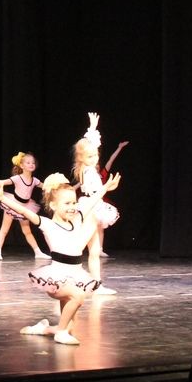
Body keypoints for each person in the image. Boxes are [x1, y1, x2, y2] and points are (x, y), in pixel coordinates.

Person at [0, 170, 121, 345]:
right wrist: (3, 198)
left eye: (74, 203)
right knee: (78, 297)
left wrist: (106, 187)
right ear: (53, 205)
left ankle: (43, 329)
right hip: (57, 280)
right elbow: (25, 212)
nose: (72, 207)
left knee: (71, 326)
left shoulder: (77, 219)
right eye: (67, 203)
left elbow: (92, 201)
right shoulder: (48, 225)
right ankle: (60, 333)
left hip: (75, 276)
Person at [72, 112, 118, 293]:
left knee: (94, 250)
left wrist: (92, 128)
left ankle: (96, 284)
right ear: (81, 158)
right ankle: (67, 276)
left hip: (93, 206)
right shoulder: (87, 170)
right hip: (90, 208)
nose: (95, 158)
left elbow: (91, 144)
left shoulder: (89, 167)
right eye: (90, 156)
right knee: (79, 248)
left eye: (96, 155)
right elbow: (95, 193)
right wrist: (107, 187)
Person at [0, 151, 50, 261]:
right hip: (12, 205)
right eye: (28, 163)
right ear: (22, 165)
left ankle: (38, 253)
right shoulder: (18, 178)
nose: (31, 164)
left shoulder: (34, 180)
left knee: (27, 231)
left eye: (33, 163)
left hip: (25, 206)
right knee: (4, 229)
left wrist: (56, 185)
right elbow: (2, 182)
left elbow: (45, 186)